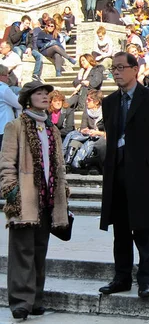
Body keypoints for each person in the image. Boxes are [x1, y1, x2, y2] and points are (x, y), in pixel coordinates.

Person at [99, 51, 149, 299]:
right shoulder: (109, 102)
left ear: (135, 69)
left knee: (143, 228)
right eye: (113, 68)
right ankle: (121, 277)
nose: (117, 72)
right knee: (120, 230)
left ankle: (145, 279)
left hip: (143, 174)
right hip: (116, 175)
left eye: (121, 67)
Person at [0, 81, 70, 320]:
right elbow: (7, 164)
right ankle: (21, 302)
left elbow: (59, 165)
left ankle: (36, 299)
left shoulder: (51, 129)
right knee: (22, 251)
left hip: (48, 199)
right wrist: (12, 191)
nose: (44, 97)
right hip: (24, 198)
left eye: (46, 94)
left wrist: (64, 191)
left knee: (40, 251)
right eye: (39, 93)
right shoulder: (15, 126)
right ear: (28, 99)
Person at [0, 65, 21, 147]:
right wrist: (21, 94)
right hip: (5, 127)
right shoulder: (3, 89)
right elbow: (18, 104)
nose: (8, 77)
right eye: (5, 75)